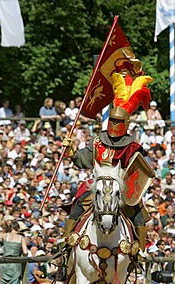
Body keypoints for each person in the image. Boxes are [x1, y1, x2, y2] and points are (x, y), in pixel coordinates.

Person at [51, 66, 154, 267]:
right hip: (97, 185)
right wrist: (71, 149)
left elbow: (140, 172)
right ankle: (64, 250)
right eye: (112, 120)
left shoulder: (132, 147)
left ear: (125, 122)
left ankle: (139, 254)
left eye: (118, 120)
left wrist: (127, 188)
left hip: (121, 190)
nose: (115, 123)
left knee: (140, 218)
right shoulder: (99, 142)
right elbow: (84, 159)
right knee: (78, 206)